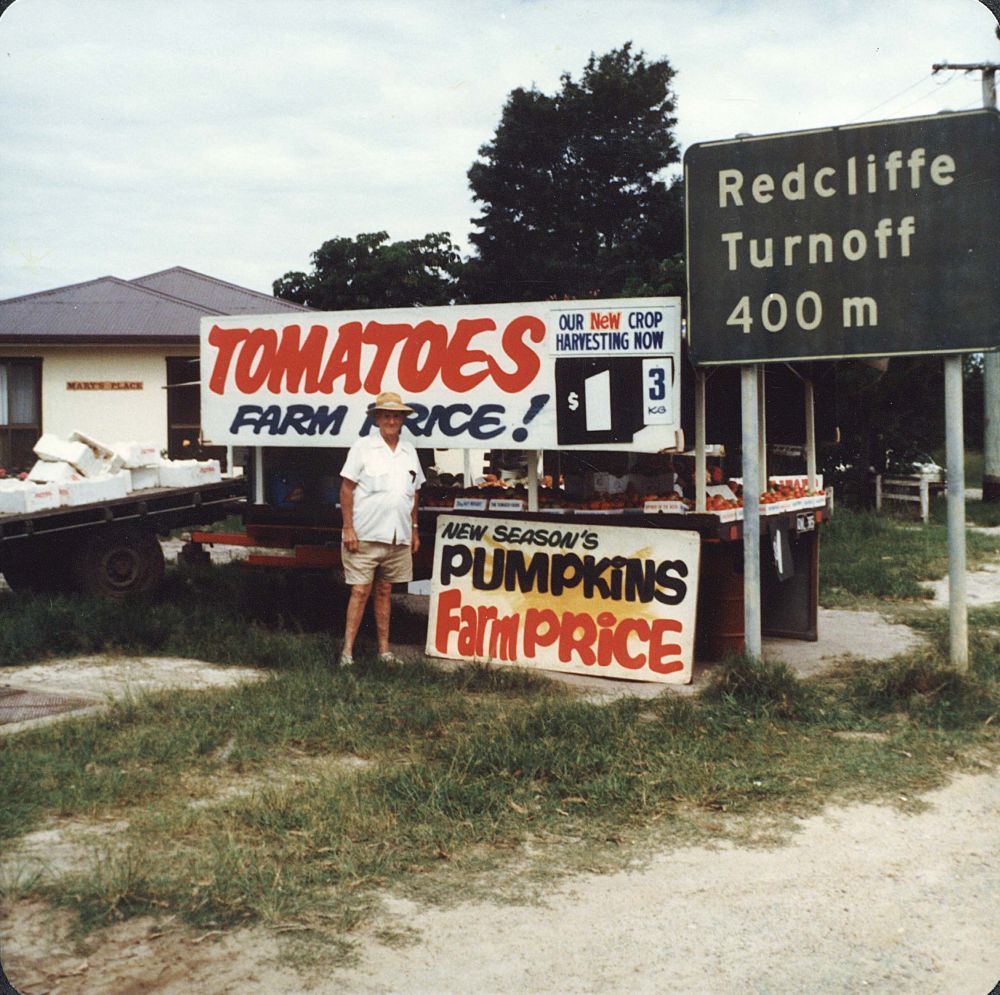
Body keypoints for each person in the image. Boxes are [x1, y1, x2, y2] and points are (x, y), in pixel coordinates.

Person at [338, 391, 425, 666]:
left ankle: (384, 651)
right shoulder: (362, 447)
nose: (391, 420)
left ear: (402, 419)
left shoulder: (409, 450)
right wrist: (348, 528)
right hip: (364, 534)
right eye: (386, 415)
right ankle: (347, 653)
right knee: (360, 592)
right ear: (377, 419)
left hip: (397, 536)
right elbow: (347, 488)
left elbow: (415, 491)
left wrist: (413, 528)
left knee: (386, 591)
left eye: (396, 415)